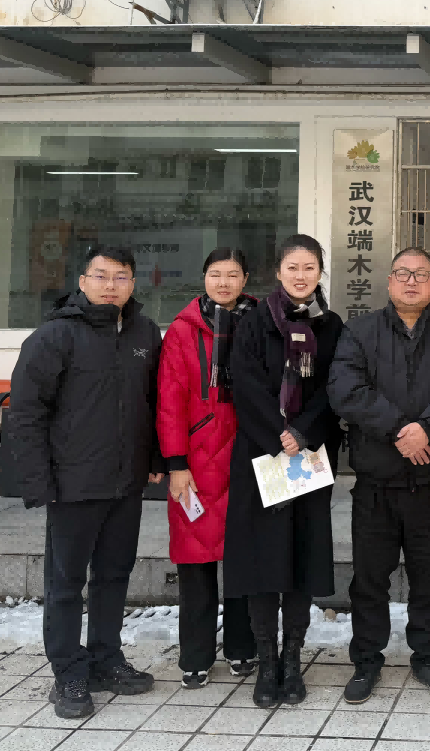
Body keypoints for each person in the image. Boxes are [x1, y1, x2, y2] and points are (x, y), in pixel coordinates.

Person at [8, 245, 162, 718]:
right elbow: (27, 413)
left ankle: (105, 659)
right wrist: (38, 481)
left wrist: (156, 458)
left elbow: (155, 400)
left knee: (114, 575)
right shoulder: (54, 335)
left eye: (121, 277)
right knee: (66, 582)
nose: (110, 285)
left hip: (126, 481)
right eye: (101, 276)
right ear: (82, 280)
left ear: (133, 283)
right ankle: (68, 673)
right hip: (73, 482)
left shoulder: (144, 331)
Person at [328, 247, 430, 704]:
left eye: (421, 274)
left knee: (429, 579)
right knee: (369, 579)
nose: (411, 281)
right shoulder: (359, 330)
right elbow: (346, 389)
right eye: (403, 274)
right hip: (376, 482)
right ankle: (366, 660)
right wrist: (399, 430)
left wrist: (426, 428)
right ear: (389, 281)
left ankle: (427, 658)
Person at [222, 234, 344, 708]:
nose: (301, 275)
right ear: (278, 272)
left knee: (300, 558)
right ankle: (266, 661)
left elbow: (335, 387)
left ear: (319, 273)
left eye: (309, 267)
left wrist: (303, 432)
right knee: (262, 561)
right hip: (261, 456)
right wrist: (279, 434)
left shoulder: (331, 326)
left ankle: (293, 659)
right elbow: (246, 384)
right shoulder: (254, 322)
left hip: (308, 459)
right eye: (293, 267)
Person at [156, 248, 259, 689]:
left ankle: (242, 646)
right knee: (195, 561)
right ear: (204, 278)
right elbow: (170, 401)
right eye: (215, 274)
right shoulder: (183, 330)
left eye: (232, 275)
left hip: (250, 454)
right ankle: (195, 656)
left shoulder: (261, 321)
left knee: (243, 558)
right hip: (197, 460)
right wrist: (176, 463)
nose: (223, 283)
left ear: (245, 279)